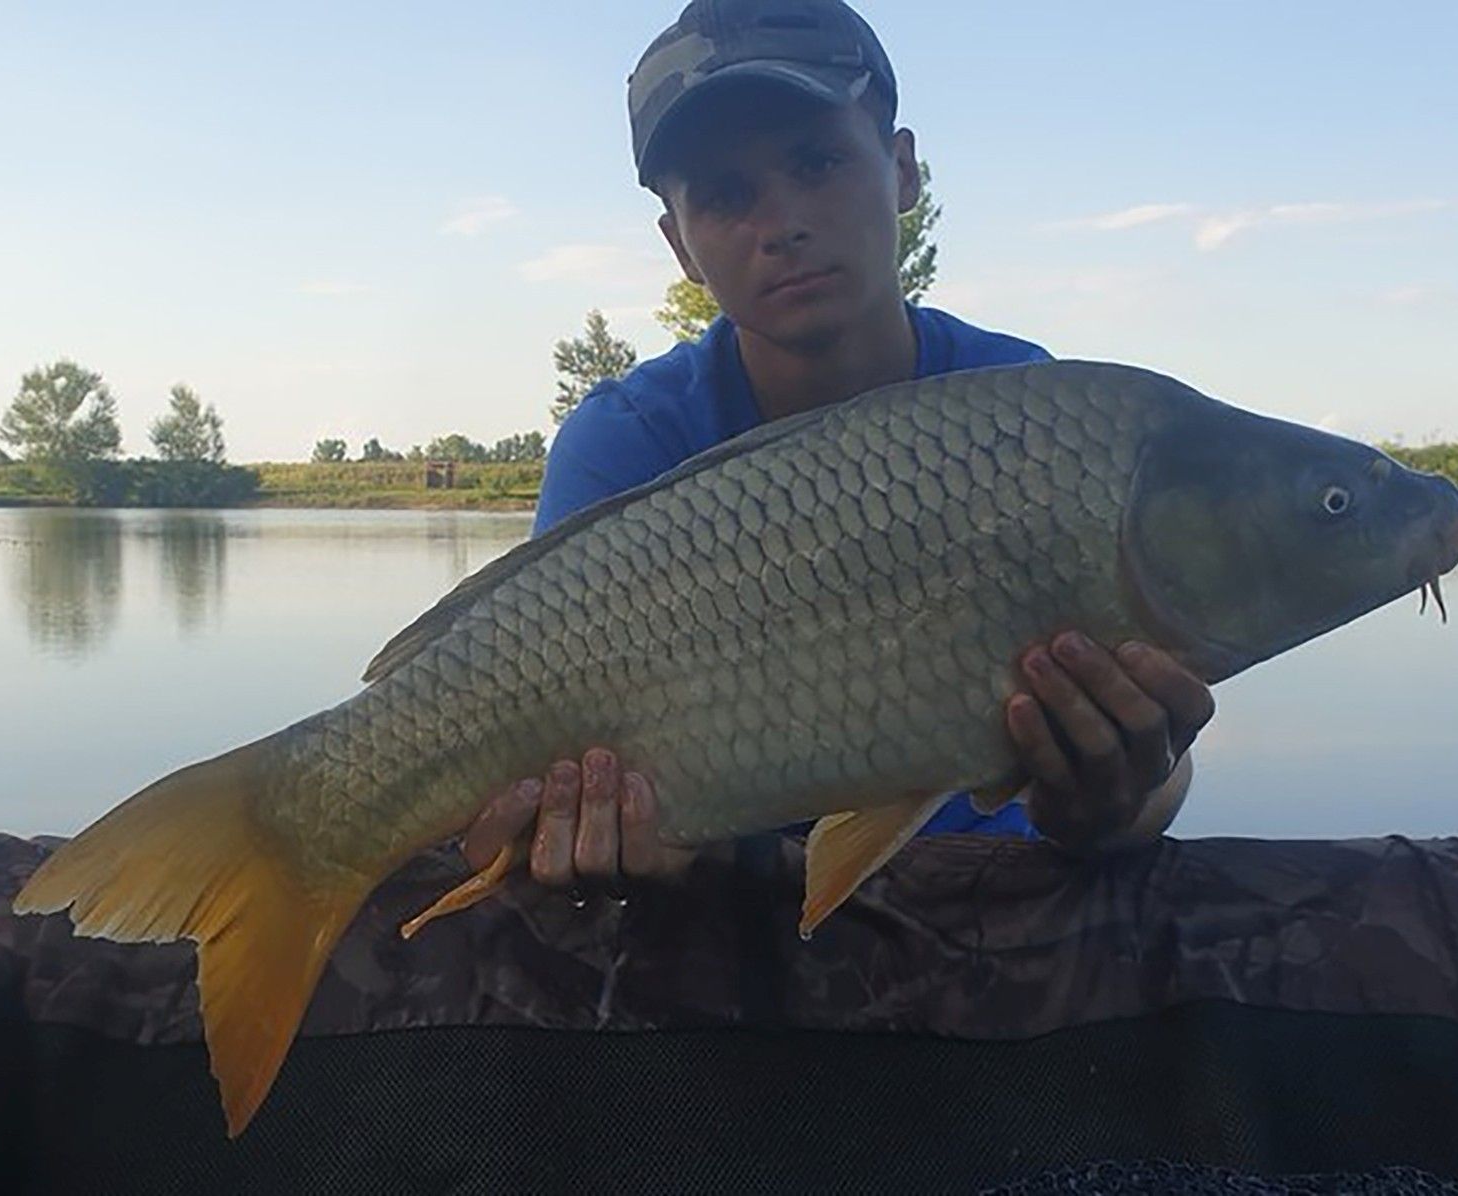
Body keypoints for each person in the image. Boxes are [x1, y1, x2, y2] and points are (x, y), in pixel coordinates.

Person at [460, 0, 1215, 896]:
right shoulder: (628, 442)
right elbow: (554, 793)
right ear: (681, 246)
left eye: (817, 163)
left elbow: (1152, 782)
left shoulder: (1026, 415)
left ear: (901, 171)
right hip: (729, 922)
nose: (780, 224)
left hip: (1000, 901)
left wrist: (1119, 798)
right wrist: (605, 847)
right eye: (726, 195)